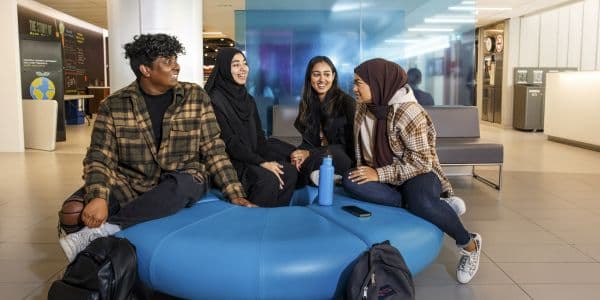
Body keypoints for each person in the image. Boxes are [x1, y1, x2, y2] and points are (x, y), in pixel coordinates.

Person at [57, 34, 255, 262]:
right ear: (145, 69)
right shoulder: (114, 105)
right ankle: (87, 271)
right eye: (167, 61)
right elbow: (100, 157)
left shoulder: (195, 96)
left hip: (181, 180)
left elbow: (214, 149)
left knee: (185, 183)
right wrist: (98, 196)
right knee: (72, 211)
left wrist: (235, 193)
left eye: (175, 59)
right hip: (131, 182)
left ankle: (107, 229)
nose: (176, 66)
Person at [342, 58, 480, 284]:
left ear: (378, 83)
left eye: (359, 83)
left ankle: (469, 243)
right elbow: (362, 149)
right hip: (387, 176)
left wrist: (378, 175)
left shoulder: (409, 112)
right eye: (354, 82)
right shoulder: (363, 108)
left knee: (422, 202)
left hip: (417, 173)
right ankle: (435, 205)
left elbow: (421, 164)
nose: (354, 88)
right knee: (350, 180)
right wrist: (367, 172)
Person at [205, 48, 298, 207]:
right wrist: (262, 163)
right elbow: (229, 142)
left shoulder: (248, 99)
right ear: (225, 68)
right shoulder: (214, 100)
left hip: (250, 157)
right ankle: (257, 224)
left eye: (244, 63)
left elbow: (259, 137)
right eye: (235, 65)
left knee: (288, 171)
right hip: (229, 163)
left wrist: (271, 159)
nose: (243, 69)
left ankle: (275, 218)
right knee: (266, 178)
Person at [290, 56, 356, 186]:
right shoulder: (307, 103)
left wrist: (308, 153)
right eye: (316, 74)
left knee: (316, 159)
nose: (322, 79)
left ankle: (318, 175)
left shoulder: (347, 103)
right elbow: (308, 142)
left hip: (342, 155)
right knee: (276, 146)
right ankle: (319, 175)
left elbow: (349, 146)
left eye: (326, 74)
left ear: (333, 76)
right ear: (309, 77)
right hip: (318, 153)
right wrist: (298, 154)